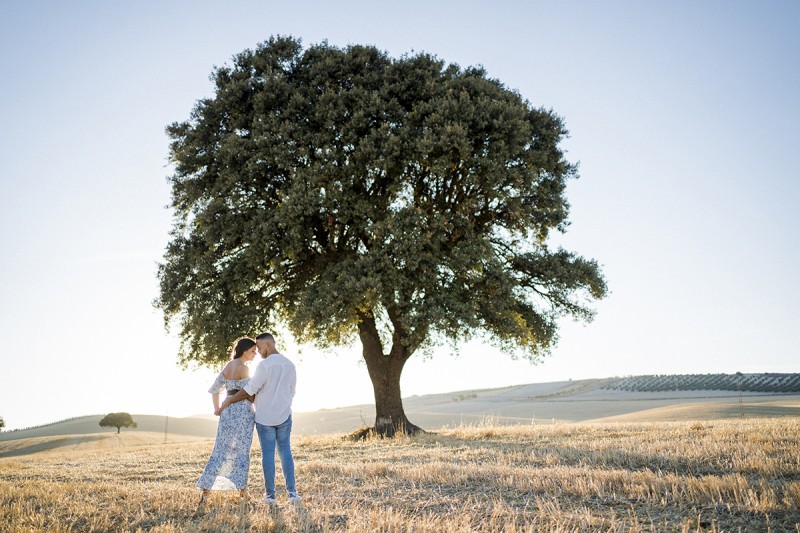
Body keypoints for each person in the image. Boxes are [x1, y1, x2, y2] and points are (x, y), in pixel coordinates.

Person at [221, 332, 300, 504]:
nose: (257, 350)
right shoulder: (290, 365)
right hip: (284, 414)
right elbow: (292, 391)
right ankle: (292, 494)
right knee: (285, 451)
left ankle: (270, 496)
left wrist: (230, 399)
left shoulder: (264, 366)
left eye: (259, 346)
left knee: (268, 454)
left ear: (268, 345)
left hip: (265, 417)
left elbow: (250, 389)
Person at [196, 337, 258, 503]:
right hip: (243, 412)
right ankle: (243, 492)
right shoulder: (244, 369)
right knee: (242, 450)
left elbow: (215, 389)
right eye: (253, 351)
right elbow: (250, 394)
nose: (255, 354)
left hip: (227, 412)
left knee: (220, 450)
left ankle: (206, 490)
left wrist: (217, 409)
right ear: (244, 350)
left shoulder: (228, 366)